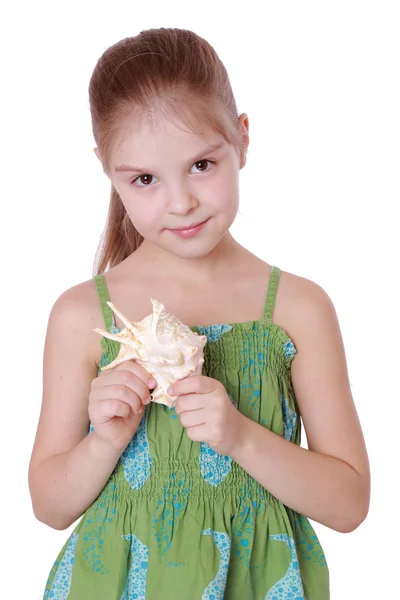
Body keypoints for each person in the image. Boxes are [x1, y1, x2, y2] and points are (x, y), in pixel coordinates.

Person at [28, 27, 370, 600]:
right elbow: (49, 505)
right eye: (144, 179)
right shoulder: (82, 315)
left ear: (241, 137)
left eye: (202, 166)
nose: (180, 201)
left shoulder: (297, 309)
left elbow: (350, 503)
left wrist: (240, 437)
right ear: (106, 169)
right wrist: (103, 443)